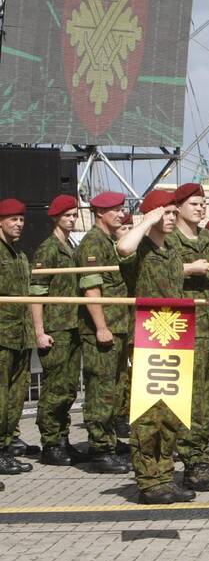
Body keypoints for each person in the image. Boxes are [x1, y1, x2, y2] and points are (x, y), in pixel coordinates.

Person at [117, 190, 204, 504]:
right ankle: (149, 481)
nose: (170, 219)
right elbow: (123, 247)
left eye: (171, 213)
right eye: (165, 214)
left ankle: (165, 476)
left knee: (171, 413)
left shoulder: (171, 250)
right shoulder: (139, 247)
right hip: (147, 339)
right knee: (148, 414)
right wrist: (147, 219)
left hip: (174, 337)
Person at [167, 183, 209, 491]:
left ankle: (199, 460)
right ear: (179, 206)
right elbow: (150, 270)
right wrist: (186, 268)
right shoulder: (168, 239)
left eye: (203, 203)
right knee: (188, 400)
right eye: (194, 203)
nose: (199, 208)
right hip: (182, 329)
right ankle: (190, 462)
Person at [74, 191, 133, 474]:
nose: (121, 214)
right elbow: (91, 288)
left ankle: (109, 440)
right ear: (100, 213)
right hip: (104, 329)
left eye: (122, 210)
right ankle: (100, 450)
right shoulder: (93, 244)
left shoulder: (109, 241)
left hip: (117, 326)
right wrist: (100, 327)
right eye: (115, 211)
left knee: (113, 388)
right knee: (101, 391)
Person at [30, 195, 84, 466]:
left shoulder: (70, 247)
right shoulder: (48, 249)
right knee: (55, 388)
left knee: (68, 388)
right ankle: (50, 443)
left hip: (72, 326)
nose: (72, 220)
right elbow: (37, 292)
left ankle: (62, 439)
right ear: (55, 218)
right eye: (67, 216)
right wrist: (39, 331)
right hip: (56, 327)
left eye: (74, 215)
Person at [0, 198, 35, 479]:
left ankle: (5, 447)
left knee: (13, 399)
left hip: (19, 336)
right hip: (1, 337)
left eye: (21, 219)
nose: (19, 224)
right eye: (13, 219)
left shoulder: (18, 255)